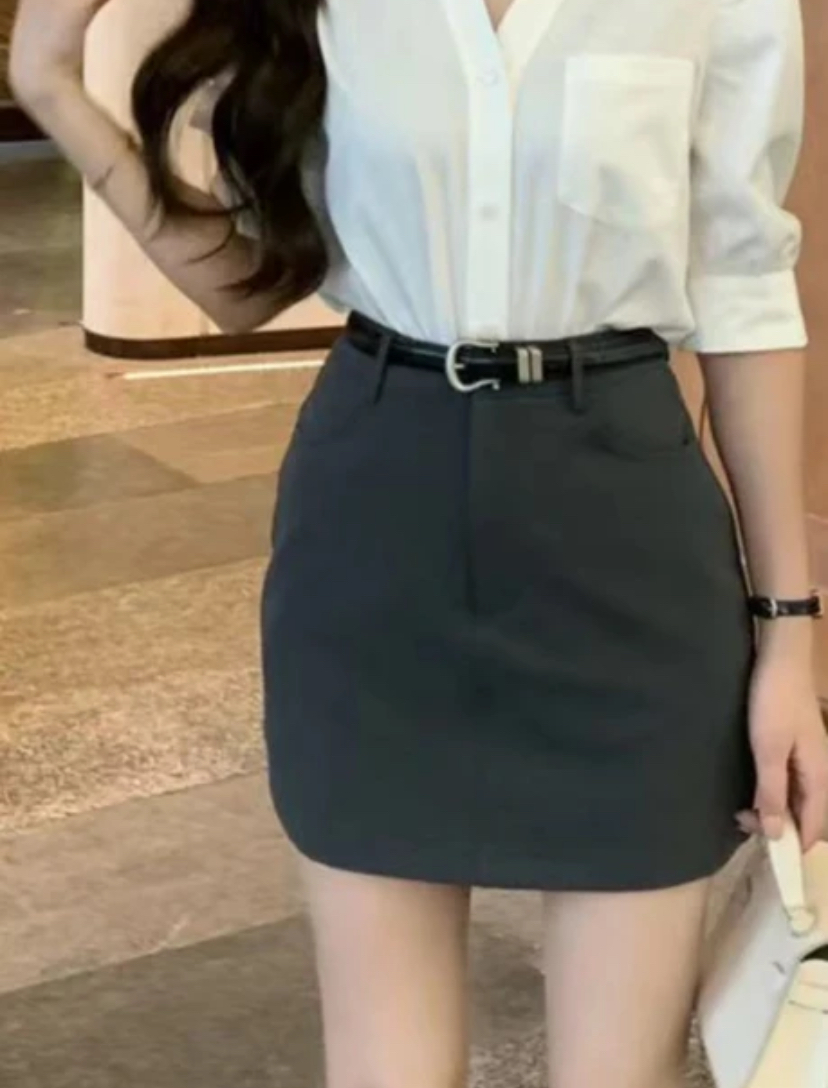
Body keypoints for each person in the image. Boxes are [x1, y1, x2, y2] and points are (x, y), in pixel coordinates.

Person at [11, 1, 828, 1085]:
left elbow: (745, 298)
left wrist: (789, 635)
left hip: (625, 537)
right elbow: (242, 290)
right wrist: (53, 83)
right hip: (374, 522)